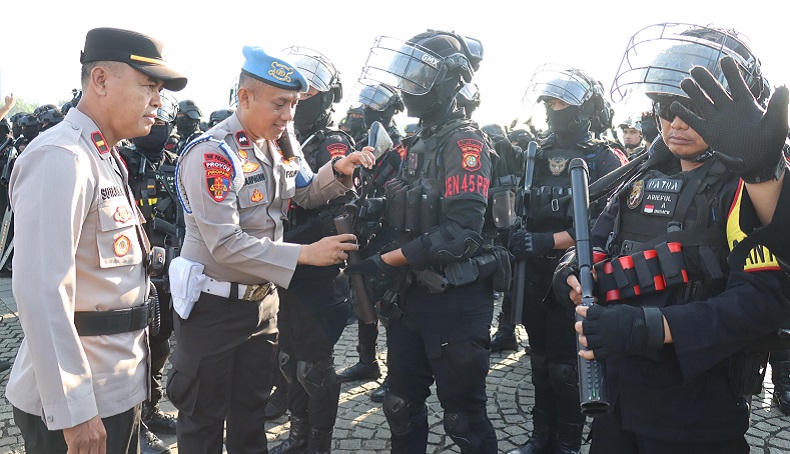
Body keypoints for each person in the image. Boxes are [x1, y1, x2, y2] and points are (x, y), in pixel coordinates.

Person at [562, 23, 790, 453]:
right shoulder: (642, 175)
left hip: (693, 413)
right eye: (665, 106)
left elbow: (762, 303)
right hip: (615, 403)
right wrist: (572, 276)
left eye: (693, 108)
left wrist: (651, 328)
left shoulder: (749, 188)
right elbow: (593, 242)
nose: (676, 121)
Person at [167, 45, 374, 454]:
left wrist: (339, 171)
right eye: (280, 103)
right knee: (203, 420)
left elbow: (305, 193)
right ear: (245, 97)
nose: (289, 115)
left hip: (262, 307)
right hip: (213, 309)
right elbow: (225, 244)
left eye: (294, 105)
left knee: (251, 413)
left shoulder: (277, 145)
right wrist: (304, 254)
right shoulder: (214, 155)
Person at [5, 26, 187, 454]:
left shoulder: (101, 153)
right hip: (79, 404)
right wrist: (75, 411)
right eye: (148, 86)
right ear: (101, 79)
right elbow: (41, 291)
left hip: (115, 385)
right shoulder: (61, 158)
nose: (158, 101)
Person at [350, 29, 503, 453]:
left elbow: (462, 231)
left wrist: (387, 261)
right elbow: (408, 210)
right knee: (400, 404)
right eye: (407, 76)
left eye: (420, 77)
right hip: (410, 296)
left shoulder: (465, 143)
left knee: (464, 419)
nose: (408, 87)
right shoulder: (414, 141)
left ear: (450, 82)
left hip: (455, 298)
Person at [507, 64, 626, 454]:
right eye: (548, 103)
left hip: (575, 278)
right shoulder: (534, 153)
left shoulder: (606, 158)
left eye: (560, 103)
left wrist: (545, 241)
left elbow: (604, 225)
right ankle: (541, 436)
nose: (552, 110)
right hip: (534, 275)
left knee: (565, 368)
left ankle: (567, 442)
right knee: (540, 362)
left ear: (583, 109)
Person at [264, 45, 357, 454]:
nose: (298, 103)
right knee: (289, 361)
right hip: (289, 266)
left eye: (308, 95)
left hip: (319, 272)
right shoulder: (288, 140)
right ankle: (297, 437)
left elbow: (342, 207)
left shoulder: (333, 143)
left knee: (313, 368)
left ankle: (317, 444)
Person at [119, 91, 182, 454]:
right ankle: (135, 424)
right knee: (135, 352)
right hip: (134, 271)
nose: (154, 128)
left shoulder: (178, 162)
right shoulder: (122, 162)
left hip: (172, 273)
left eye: (161, 123)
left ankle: (152, 410)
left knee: (160, 347)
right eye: (151, 121)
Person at [337, 82, 406, 404]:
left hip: (392, 232)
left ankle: (396, 375)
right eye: (366, 108)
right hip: (364, 228)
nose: (368, 114)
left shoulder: (404, 147)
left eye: (375, 109)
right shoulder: (363, 144)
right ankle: (367, 361)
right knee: (361, 294)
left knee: (390, 304)